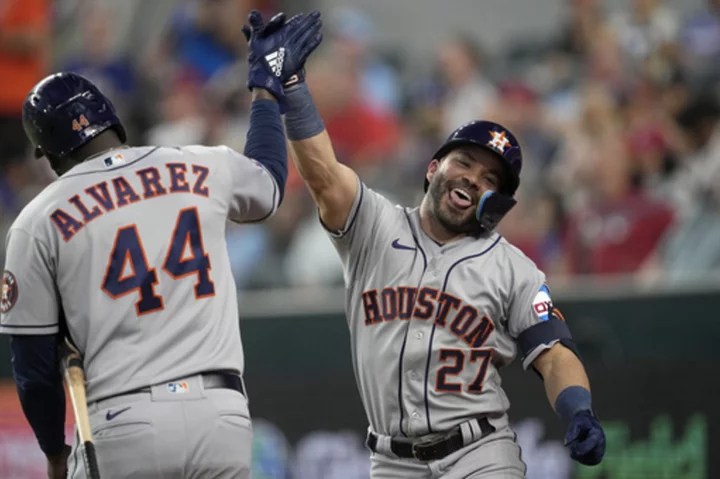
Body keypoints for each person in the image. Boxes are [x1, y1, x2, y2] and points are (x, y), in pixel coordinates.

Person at [265, 13, 607, 479]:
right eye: (464, 161)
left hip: (479, 453)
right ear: (433, 168)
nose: (473, 177)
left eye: (490, 178)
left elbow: (555, 352)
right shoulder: (375, 226)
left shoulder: (512, 268)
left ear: (499, 200)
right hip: (390, 461)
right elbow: (324, 176)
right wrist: (292, 86)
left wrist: (579, 410)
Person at [0, 11, 322, 479]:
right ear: (115, 122)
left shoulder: (38, 217)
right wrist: (264, 93)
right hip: (222, 416)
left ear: (48, 154)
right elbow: (271, 183)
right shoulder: (199, 163)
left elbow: (32, 368)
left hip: (124, 420)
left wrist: (54, 450)